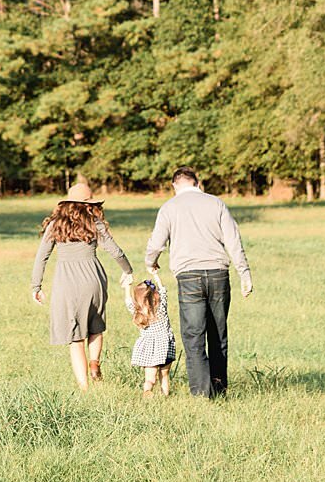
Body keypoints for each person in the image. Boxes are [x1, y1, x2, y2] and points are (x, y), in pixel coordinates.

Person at [145, 166, 252, 399]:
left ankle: (202, 394)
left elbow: (156, 243)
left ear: (174, 185)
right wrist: (244, 273)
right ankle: (219, 389)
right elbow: (233, 241)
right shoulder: (216, 204)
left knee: (194, 335)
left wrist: (150, 262)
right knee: (218, 334)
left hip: (189, 275)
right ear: (197, 182)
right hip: (218, 274)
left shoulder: (169, 208)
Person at [31, 176, 133, 390]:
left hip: (67, 283)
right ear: (90, 204)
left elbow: (42, 256)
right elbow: (116, 251)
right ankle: (94, 364)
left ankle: (84, 387)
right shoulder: (94, 224)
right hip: (94, 279)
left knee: (75, 337)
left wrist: (36, 286)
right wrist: (128, 271)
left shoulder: (54, 225)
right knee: (96, 326)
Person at [125, 276, 175, 397]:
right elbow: (163, 291)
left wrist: (127, 286)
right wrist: (157, 276)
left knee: (149, 379)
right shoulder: (160, 310)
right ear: (155, 295)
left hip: (148, 350)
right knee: (164, 376)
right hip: (165, 347)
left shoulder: (138, 312)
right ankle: (165, 397)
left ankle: (147, 391)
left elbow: (128, 301)